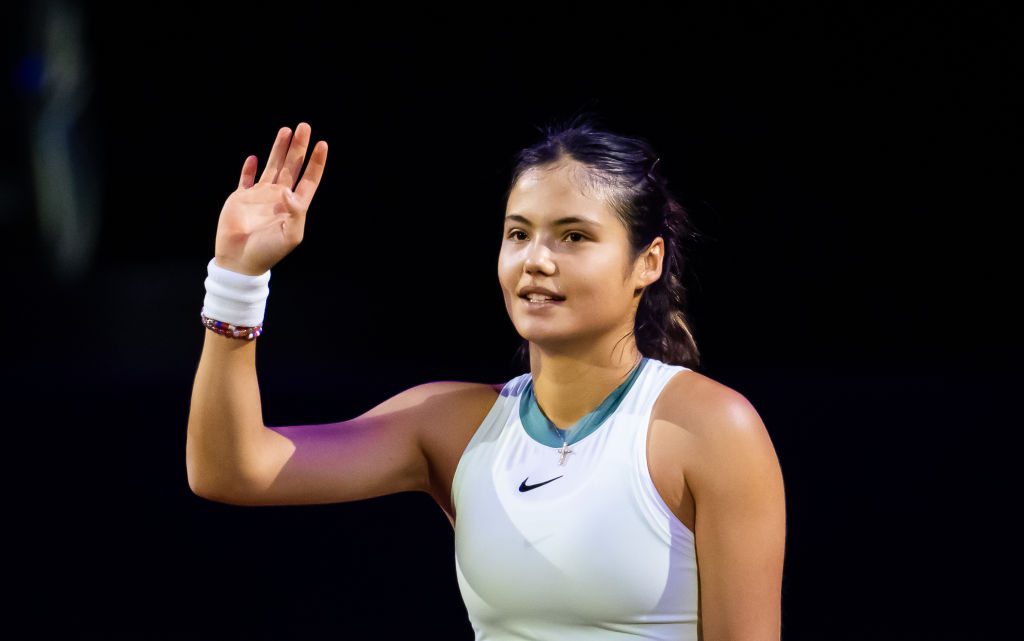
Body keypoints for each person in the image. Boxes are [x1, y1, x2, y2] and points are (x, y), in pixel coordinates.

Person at [186, 115, 787, 640]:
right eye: (519, 234)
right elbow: (232, 469)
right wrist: (237, 279)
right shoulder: (454, 426)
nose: (537, 260)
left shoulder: (710, 429)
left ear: (647, 262)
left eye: (574, 236)